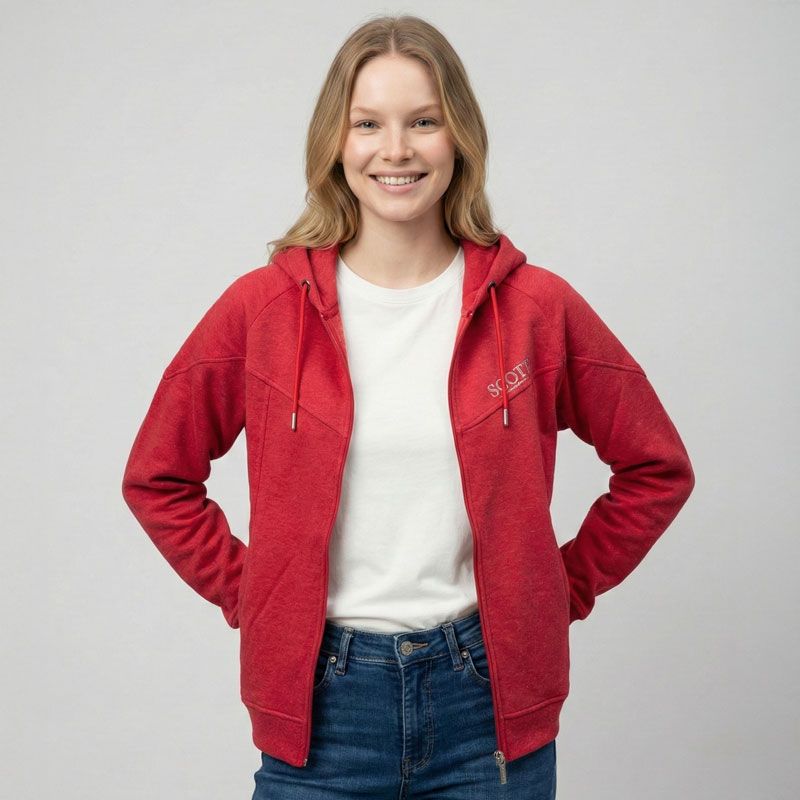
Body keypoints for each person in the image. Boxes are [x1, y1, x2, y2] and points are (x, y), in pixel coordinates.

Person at [121, 14, 695, 799]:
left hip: (486, 706)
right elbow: (157, 477)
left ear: (460, 137)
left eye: (423, 121)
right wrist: (258, 596)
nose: (396, 149)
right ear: (336, 141)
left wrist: (554, 592)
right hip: (323, 709)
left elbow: (657, 467)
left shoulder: (535, 309)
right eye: (368, 124)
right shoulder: (261, 311)